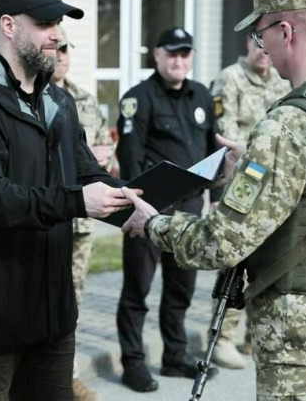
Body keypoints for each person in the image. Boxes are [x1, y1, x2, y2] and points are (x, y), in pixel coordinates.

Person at [120, 0, 306, 399]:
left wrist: (154, 224)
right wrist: (259, 163)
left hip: (302, 344)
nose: (262, 49)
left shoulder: (289, 127)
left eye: (259, 35)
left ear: (285, 30)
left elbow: (220, 244)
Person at [0, 0, 133, 401]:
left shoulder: (59, 103)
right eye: (44, 24)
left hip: (51, 315)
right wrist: (77, 201)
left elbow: (84, 174)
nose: (55, 35)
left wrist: (138, 206)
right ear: (8, 25)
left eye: (58, 24)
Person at [115, 27, 221, 392]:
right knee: (137, 292)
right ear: (157, 56)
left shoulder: (202, 95)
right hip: (148, 212)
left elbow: (212, 151)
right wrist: (133, 211)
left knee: (180, 291)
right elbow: (129, 162)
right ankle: (133, 362)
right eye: (172, 53)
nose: (179, 60)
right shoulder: (137, 99)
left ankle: (174, 357)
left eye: (185, 54)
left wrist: (216, 200)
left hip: (189, 213)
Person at [207, 34, 291, 369]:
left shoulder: (281, 82)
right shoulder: (230, 79)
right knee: (234, 262)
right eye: (257, 45)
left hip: (271, 189)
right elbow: (224, 134)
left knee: (266, 264)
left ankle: (253, 335)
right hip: (239, 184)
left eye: (267, 47)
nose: (263, 53)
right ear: (246, 45)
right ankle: (222, 337)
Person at [51, 26, 113, 401]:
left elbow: (105, 147)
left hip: (81, 225)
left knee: (72, 301)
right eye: (55, 49)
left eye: (65, 50)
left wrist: (102, 156)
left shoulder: (85, 101)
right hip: (49, 216)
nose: (61, 56)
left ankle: (66, 375)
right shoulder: (36, 97)